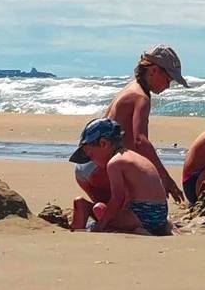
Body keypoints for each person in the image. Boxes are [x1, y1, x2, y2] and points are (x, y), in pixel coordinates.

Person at [72, 44, 187, 229]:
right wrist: (164, 178)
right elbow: (140, 141)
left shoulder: (130, 88)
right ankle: (97, 217)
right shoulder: (141, 97)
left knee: (111, 210)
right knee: (126, 211)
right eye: (168, 79)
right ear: (153, 70)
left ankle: (87, 210)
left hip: (88, 161)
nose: (168, 85)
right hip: (102, 165)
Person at [68, 117, 171, 236]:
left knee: (99, 209)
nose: (92, 160)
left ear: (103, 143)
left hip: (141, 214)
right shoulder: (136, 157)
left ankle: (137, 229)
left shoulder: (114, 163)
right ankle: (151, 228)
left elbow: (117, 199)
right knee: (83, 204)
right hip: (160, 215)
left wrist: (100, 226)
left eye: (90, 154)